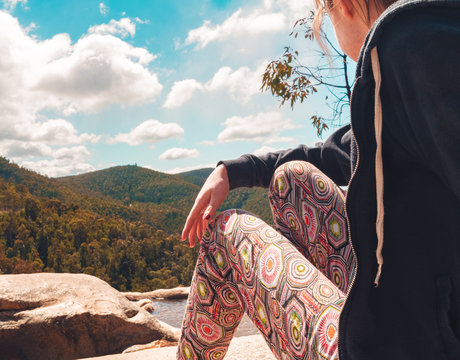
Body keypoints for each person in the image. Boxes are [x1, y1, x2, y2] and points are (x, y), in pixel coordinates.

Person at [178, 0, 460, 359]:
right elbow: (330, 154)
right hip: (416, 316)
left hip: (396, 345)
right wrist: (231, 171)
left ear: (342, 6)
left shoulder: (408, 43)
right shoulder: (422, 49)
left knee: (223, 235)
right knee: (292, 180)